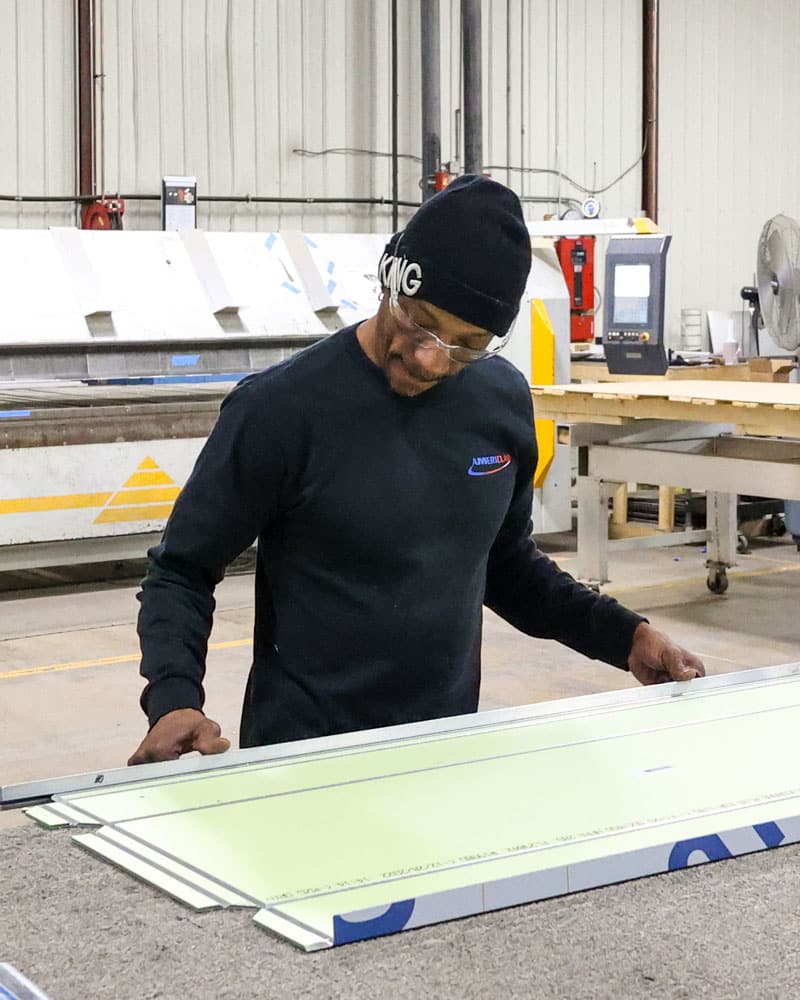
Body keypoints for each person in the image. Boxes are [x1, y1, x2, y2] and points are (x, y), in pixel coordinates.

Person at [129, 175, 704, 766]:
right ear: (393, 283)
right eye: (421, 323)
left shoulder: (501, 403)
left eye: (467, 345)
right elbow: (182, 569)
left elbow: (506, 566)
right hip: (301, 759)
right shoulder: (281, 410)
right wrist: (175, 697)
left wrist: (624, 636)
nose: (432, 359)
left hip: (442, 753)